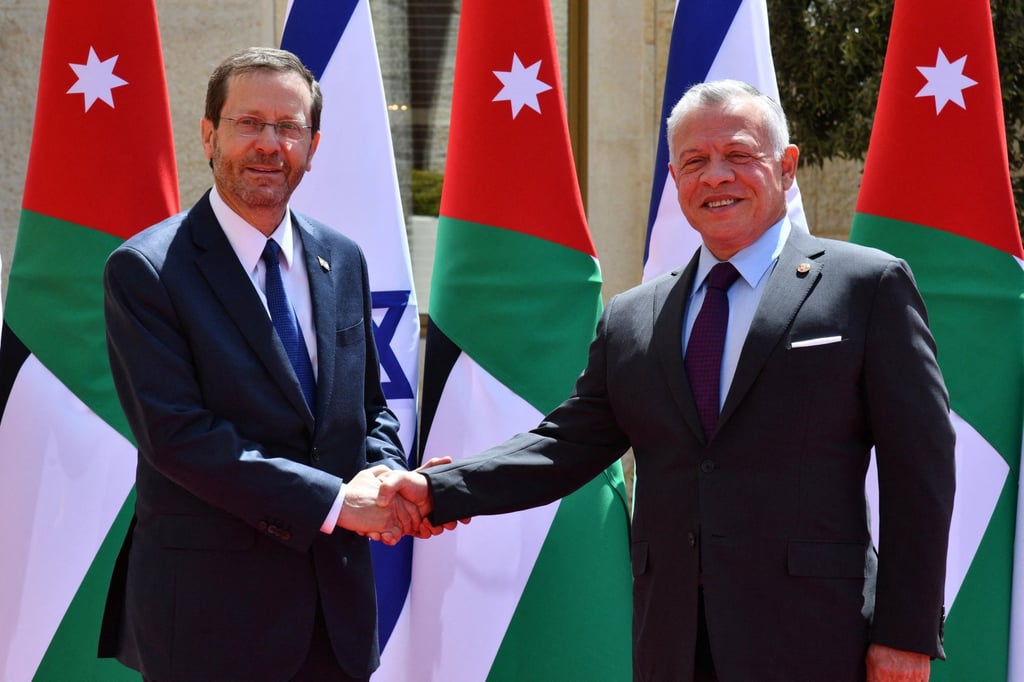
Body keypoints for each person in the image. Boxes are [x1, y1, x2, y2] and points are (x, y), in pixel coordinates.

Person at [381, 80, 956, 682]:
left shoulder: (866, 287)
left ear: (786, 167)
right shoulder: (635, 315)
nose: (715, 177)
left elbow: (921, 466)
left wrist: (906, 632)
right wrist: (437, 488)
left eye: (738, 156)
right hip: (674, 641)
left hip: (818, 637)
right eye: (694, 162)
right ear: (675, 180)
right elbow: (564, 445)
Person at [98, 47, 426, 682]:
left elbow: (368, 409)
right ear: (209, 134)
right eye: (249, 123)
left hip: (336, 620)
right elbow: (179, 438)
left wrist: (384, 480)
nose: (269, 144)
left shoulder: (344, 258)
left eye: (288, 127)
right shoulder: (147, 272)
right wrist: (336, 502)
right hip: (211, 624)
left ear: (313, 143)